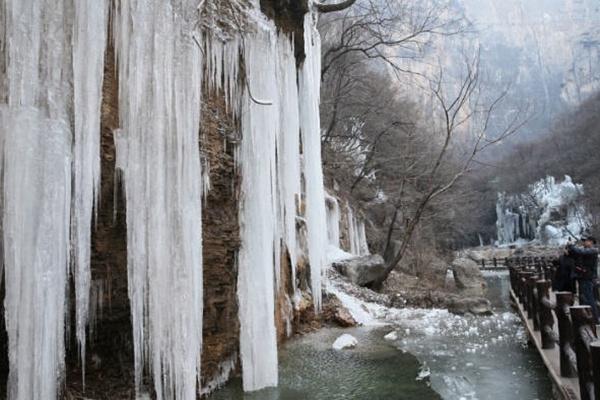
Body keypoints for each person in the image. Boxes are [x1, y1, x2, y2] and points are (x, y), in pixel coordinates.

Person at [568, 235, 599, 322]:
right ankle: (586, 316)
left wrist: (572, 246)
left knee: (589, 298)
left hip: (587, 278)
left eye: (586, 241)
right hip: (582, 277)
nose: (584, 242)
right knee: (584, 298)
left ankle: (594, 319)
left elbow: (580, 251)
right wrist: (570, 249)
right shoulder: (586, 251)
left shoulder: (593, 250)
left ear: (591, 242)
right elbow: (575, 255)